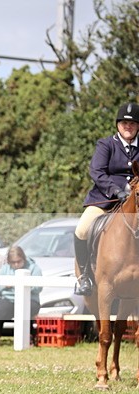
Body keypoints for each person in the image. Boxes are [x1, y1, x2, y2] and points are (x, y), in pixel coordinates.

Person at [74, 102, 139, 296]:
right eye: (124, 123)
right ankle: (84, 276)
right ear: (118, 125)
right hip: (105, 200)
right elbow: (97, 171)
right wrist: (116, 190)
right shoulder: (106, 144)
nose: (128, 127)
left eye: (133, 124)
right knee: (82, 229)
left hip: (136, 203)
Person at [0, 245, 43, 343]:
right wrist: (5, 285)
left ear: (23, 258)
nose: (16, 265)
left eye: (18, 261)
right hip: (10, 299)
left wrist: (24, 286)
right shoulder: (5, 269)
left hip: (30, 300)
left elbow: (38, 288)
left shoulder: (34, 268)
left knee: (25, 309)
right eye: (13, 262)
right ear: (9, 261)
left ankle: (29, 337)